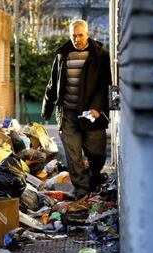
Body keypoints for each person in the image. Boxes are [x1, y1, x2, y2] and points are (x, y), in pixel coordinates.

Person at [41, 19, 112, 199]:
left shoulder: (100, 54)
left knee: (96, 151)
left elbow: (104, 85)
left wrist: (97, 107)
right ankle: (82, 190)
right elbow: (53, 82)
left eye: (80, 35)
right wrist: (47, 108)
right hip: (67, 112)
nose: (77, 39)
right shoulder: (62, 54)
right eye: (73, 35)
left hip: (90, 113)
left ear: (87, 34)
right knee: (73, 155)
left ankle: (94, 176)